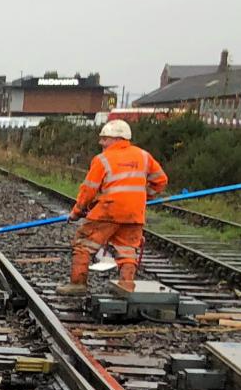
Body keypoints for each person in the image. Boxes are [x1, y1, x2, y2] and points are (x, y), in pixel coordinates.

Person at [62, 120, 167, 294]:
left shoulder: (102, 159)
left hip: (107, 212)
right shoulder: (144, 156)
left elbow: (89, 189)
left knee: (83, 243)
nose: (101, 143)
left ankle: (77, 284)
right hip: (133, 214)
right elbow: (161, 181)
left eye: (105, 139)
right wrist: (142, 196)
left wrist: (77, 212)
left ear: (117, 138)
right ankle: (126, 287)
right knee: (127, 251)